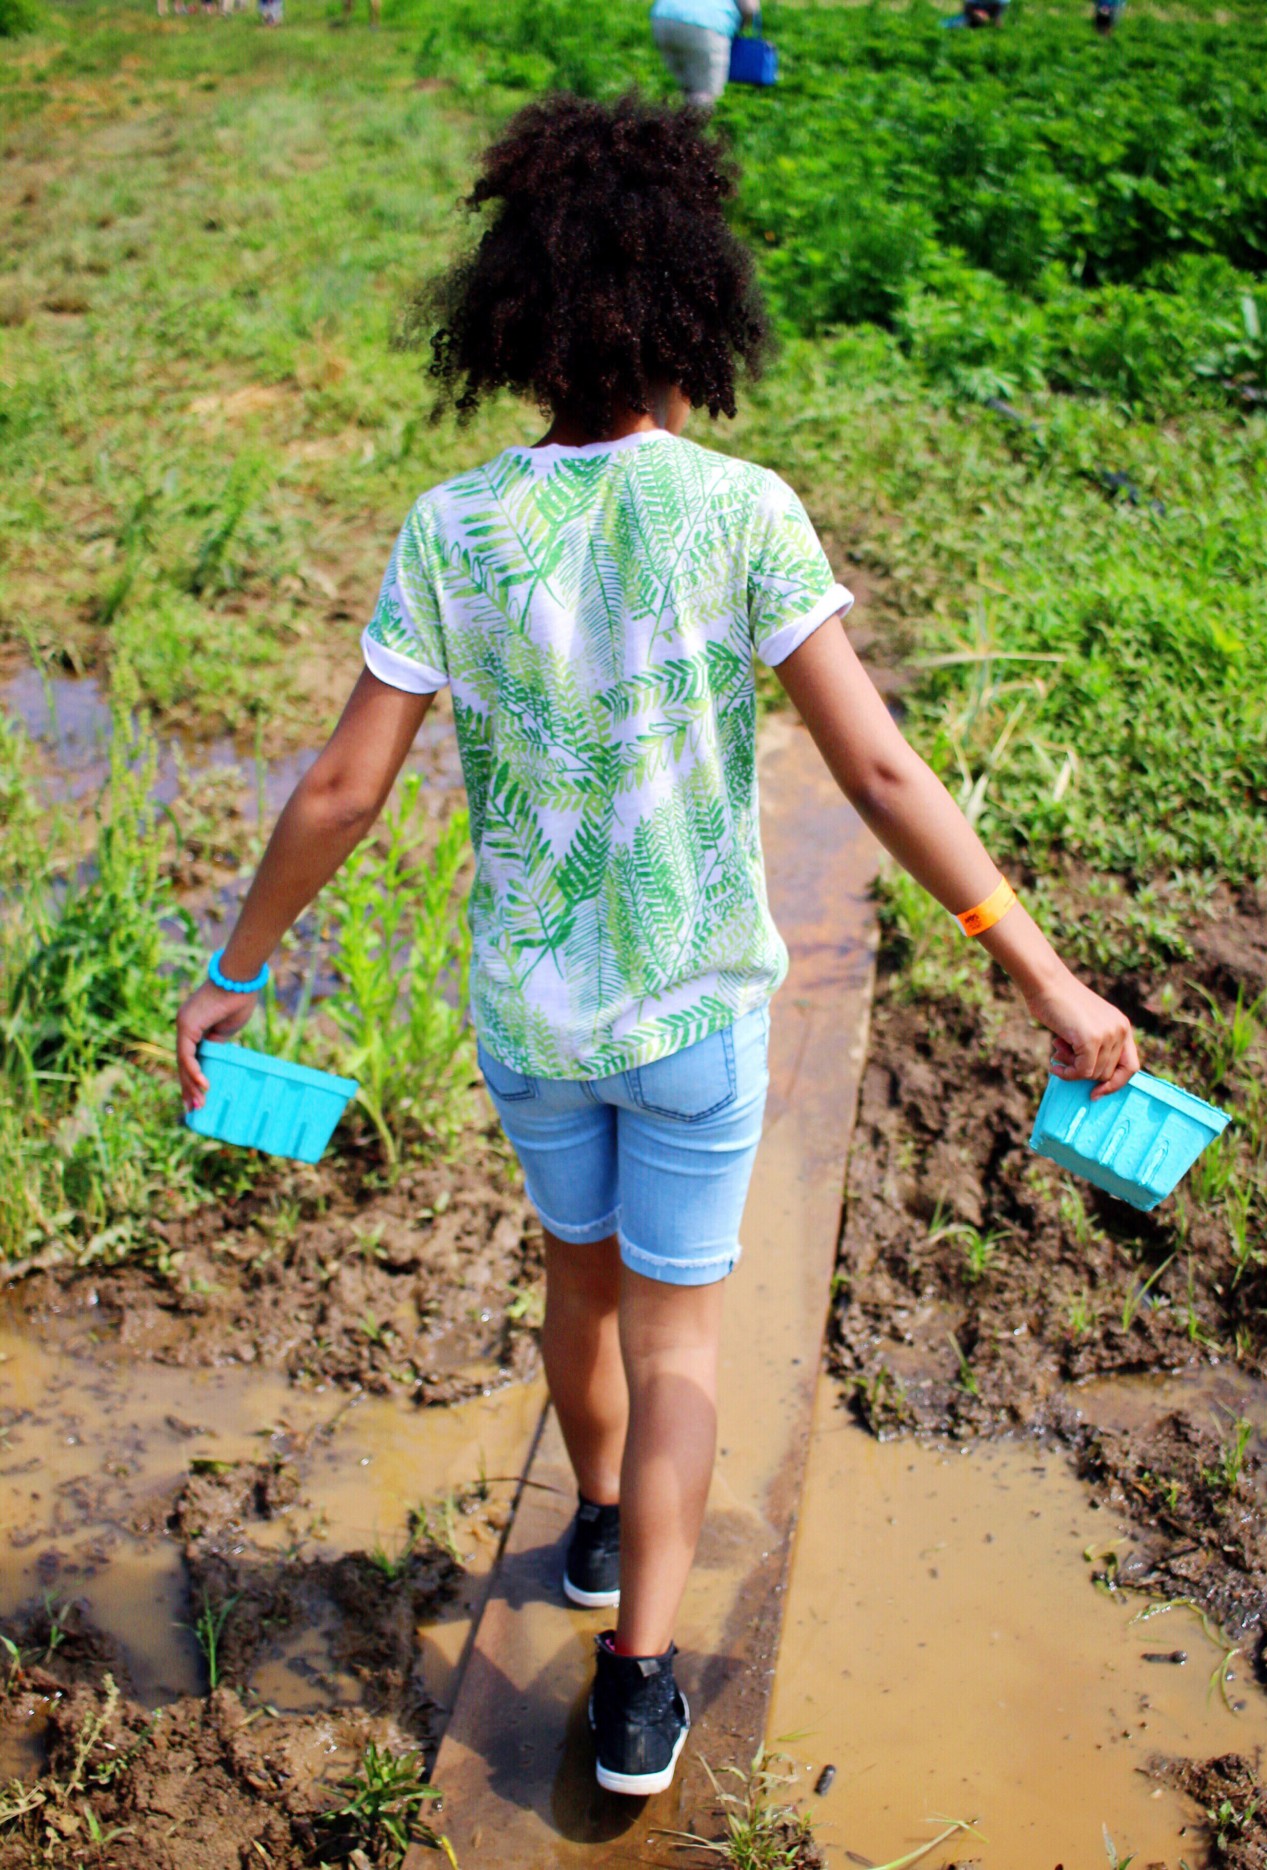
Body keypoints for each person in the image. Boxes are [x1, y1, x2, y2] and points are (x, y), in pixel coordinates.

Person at [175, 93, 1140, 1800]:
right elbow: (880, 767)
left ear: (512, 319)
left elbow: (339, 788)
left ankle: (601, 1530)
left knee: (577, 1279)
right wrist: (1043, 973)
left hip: (533, 1017)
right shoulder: (740, 511)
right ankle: (636, 1691)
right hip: (693, 1013)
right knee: (683, 1339)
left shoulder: (454, 527)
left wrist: (239, 969)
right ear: (697, 299)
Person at [650, 0, 758, 106]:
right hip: (706, 23)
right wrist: (740, 26)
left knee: (686, 88)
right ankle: (695, 121)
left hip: (664, 16)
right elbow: (749, 8)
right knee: (704, 93)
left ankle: (673, 119)